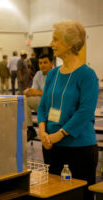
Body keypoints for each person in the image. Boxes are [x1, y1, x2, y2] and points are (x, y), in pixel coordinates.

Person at [38, 20, 98, 200]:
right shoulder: (53, 74)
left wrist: (60, 134)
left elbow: (85, 112)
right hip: (51, 146)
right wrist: (42, 132)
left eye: (55, 39)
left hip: (79, 149)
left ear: (70, 43)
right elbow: (42, 106)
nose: (51, 44)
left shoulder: (87, 75)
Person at [24, 54, 53, 141]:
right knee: (25, 100)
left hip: (53, 105)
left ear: (51, 63)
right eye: (40, 63)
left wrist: (36, 92)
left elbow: (53, 94)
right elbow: (34, 89)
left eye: (45, 62)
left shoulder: (56, 74)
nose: (42, 65)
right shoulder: (38, 74)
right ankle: (30, 129)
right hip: (42, 103)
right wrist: (28, 92)